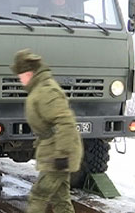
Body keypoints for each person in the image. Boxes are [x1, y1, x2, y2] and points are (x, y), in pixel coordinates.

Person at [10, 49, 83, 213]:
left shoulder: (46, 91)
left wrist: (62, 154)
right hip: (53, 150)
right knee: (61, 200)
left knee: (38, 195)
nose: (19, 79)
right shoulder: (38, 89)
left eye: (20, 74)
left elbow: (65, 121)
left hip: (58, 153)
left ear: (29, 73)